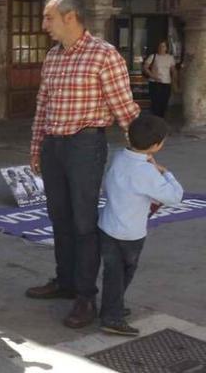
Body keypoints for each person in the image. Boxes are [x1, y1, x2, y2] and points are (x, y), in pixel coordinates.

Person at [26, 0, 140, 329]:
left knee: (83, 224)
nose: (44, 24)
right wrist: (36, 148)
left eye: (49, 18)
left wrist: (146, 156)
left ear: (70, 16)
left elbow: (125, 109)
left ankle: (86, 298)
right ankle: (66, 282)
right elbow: (42, 107)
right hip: (54, 147)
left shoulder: (104, 55)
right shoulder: (53, 57)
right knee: (59, 218)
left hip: (85, 146)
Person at [98, 115, 183, 336]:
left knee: (112, 272)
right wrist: (165, 172)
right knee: (125, 272)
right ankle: (112, 316)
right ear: (156, 145)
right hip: (130, 233)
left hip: (107, 226)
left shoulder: (119, 156)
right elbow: (175, 196)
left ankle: (112, 307)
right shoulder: (147, 172)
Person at [143, 41, 177, 118]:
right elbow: (145, 67)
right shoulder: (153, 56)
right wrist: (152, 76)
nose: (161, 48)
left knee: (164, 102)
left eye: (163, 46)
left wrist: (175, 81)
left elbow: (173, 70)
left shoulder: (170, 58)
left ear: (167, 48)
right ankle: (155, 118)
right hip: (155, 82)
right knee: (156, 102)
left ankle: (161, 118)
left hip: (166, 83)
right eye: (160, 46)